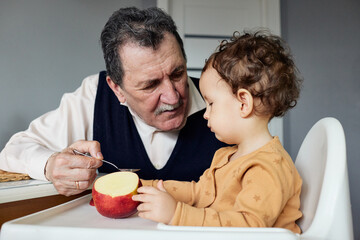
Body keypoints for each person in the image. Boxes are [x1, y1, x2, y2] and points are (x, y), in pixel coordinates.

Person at [0, 7, 226, 196]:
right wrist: (51, 165)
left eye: (177, 73)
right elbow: (14, 150)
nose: (172, 96)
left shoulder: (223, 96)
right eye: (150, 85)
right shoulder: (94, 95)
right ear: (116, 88)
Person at [132, 30, 303, 233]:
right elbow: (197, 193)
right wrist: (144, 185)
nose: (205, 114)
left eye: (211, 103)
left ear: (243, 103)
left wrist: (176, 214)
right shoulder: (226, 155)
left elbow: (249, 228)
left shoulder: (267, 167)